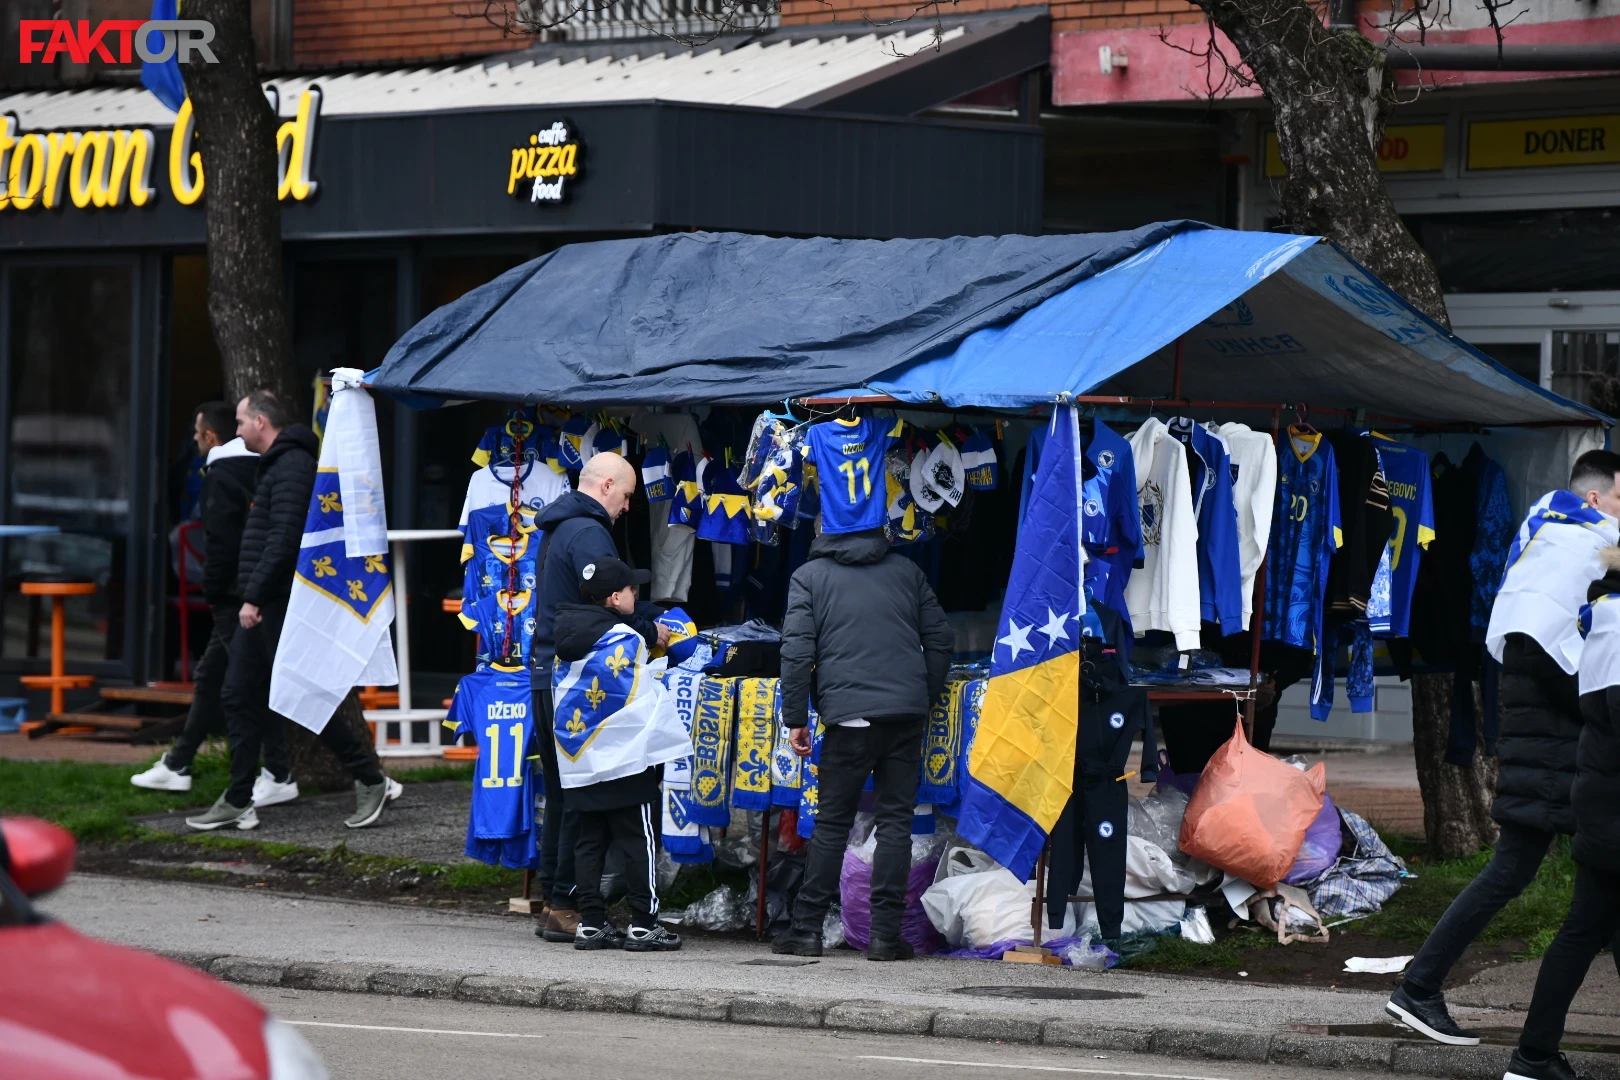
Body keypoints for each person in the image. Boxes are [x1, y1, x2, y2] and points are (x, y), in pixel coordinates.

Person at [1387, 450, 1620, 1046]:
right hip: (1553, 741)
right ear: (1594, 497)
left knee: (1590, 886)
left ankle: (1421, 988)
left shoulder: (1554, 536)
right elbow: (1540, 653)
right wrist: (1596, 705)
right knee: (1529, 873)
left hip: (1549, 738)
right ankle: (1420, 989)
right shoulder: (1573, 546)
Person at [185, 390, 400, 832]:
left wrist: (253, 597)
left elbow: (283, 540)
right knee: (243, 694)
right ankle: (241, 796)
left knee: (302, 693)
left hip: (276, 603)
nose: (237, 430)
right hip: (270, 600)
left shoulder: (291, 467)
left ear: (262, 422)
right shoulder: (281, 465)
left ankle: (368, 778)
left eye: (242, 422)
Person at [773, 526, 953, 961]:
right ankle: (886, 937)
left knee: (833, 824)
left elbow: (797, 653)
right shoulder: (907, 570)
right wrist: (918, 696)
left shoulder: (810, 576)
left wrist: (797, 717)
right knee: (896, 823)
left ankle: (807, 930)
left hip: (848, 719)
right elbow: (941, 640)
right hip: (904, 715)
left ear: (824, 531)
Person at [529, 452, 668, 942]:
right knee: (581, 793)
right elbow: (608, 604)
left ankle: (555, 900)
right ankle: (567, 904)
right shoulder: (589, 532)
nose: (628, 507)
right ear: (607, 485)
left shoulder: (557, 524)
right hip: (575, 680)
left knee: (564, 794)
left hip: (547, 673)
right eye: (627, 495)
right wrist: (652, 630)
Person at [1501, 546, 1620, 1080]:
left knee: (1586, 927)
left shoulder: (1607, 614)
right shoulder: (1617, 622)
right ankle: (1531, 1057)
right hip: (1612, 802)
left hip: (1603, 796)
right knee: (1581, 930)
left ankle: (1533, 1058)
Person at [133, 402, 291, 799]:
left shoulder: (219, 475)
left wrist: (216, 591)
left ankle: (267, 776)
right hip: (259, 592)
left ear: (210, 437)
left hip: (236, 598)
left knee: (243, 685)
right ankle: (186, 763)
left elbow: (219, 545)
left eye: (196, 433)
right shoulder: (264, 470)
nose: (193, 440)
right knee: (217, 676)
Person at [550, 557, 684, 952]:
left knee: (589, 841)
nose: (636, 596)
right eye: (631, 591)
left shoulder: (566, 639)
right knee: (637, 839)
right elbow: (644, 698)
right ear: (614, 597)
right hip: (624, 758)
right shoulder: (626, 638)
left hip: (579, 759)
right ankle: (644, 924)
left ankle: (591, 923)